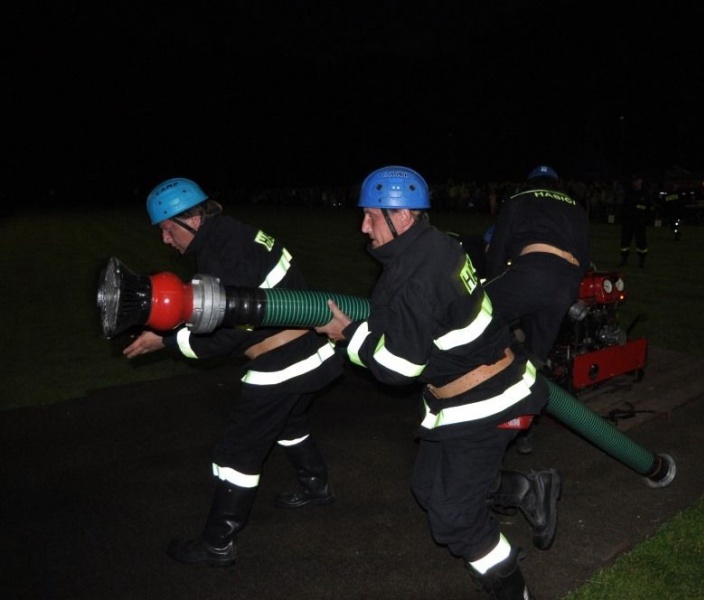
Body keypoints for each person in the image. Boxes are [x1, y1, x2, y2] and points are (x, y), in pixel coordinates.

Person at [315, 166, 560, 599]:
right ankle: (525, 488)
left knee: (454, 519)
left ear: (404, 217)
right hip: (474, 391)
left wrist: (348, 335)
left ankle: (511, 588)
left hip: (487, 402)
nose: (363, 226)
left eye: (371, 216)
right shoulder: (436, 244)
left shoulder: (413, 279)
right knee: (426, 487)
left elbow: (397, 369)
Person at [123, 177, 345, 567]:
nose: (165, 240)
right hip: (310, 352)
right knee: (290, 421)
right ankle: (316, 486)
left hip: (285, 361)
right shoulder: (233, 235)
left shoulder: (225, 258)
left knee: (236, 453)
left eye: (167, 229)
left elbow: (223, 339)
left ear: (190, 218)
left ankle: (217, 543)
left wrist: (167, 342)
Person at [483, 165, 590, 454]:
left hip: (533, 271)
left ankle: (477, 408)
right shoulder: (576, 206)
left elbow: (498, 250)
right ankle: (524, 433)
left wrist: (488, 289)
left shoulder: (519, 199)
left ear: (529, 182)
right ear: (557, 183)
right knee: (533, 363)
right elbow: (585, 254)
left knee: (474, 320)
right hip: (565, 283)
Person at [618, 173, 653, 267]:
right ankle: (623, 259)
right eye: (634, 181)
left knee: (641, 243)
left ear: (640, 181)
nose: (635, 183)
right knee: (625, 242)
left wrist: (646, 219)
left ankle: (642, 261)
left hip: (640, 223)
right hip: (628, 222)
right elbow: (624, 206)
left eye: (637, 181)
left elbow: (649, 208)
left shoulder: (645, 194)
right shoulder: (629, 193)